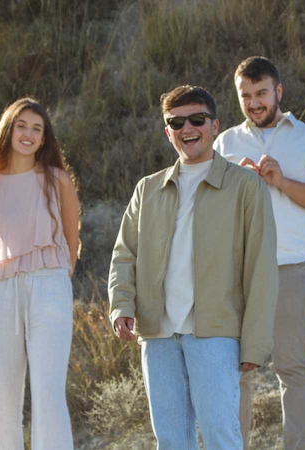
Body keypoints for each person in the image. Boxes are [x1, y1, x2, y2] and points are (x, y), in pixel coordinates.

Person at [109, 85, 279, 449]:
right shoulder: (147, 189)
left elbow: (261, 269)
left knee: (221, 437)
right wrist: (121, 305)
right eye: (177, 122)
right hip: (157, 334)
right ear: (167, 131)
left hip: (216, 333)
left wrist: (255, 343)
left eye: (197, 119)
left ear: (214, 125)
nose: (188, 128)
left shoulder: (246, 186)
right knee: (171, 441)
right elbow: (125, 255)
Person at [214, 56, 305, 449]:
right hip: (236, 273)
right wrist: (235, 185)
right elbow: (205, 209)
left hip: (290, 268)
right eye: (246, 95)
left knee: (293, 369)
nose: (254, 103)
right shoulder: (224, 143)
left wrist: (281, 181)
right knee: (234, 373)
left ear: (278, 91)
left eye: (262, 93)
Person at [0, 97, 80, 450]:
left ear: (44, 138)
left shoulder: (57, 179)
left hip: (49, 284)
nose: (28, 134)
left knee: (48, 394)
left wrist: (55, 278)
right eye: (21, 126)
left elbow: (72, 240)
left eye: (37, 129)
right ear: (8, 130)